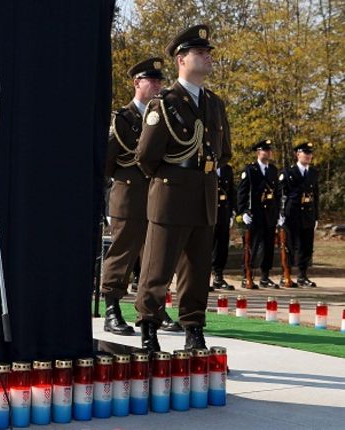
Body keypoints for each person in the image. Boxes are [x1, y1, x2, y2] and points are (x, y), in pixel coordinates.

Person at [134, 24, 232, 353]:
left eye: (208, 53)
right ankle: (149, 326)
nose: (207, 57)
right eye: (199, 53)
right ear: (181, 59)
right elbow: (146, 156)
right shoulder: (164, 102)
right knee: (157, 267)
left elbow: (224, 152)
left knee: (197, 269)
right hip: (171, 193)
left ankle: (194, 328)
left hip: (203, 194)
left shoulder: (215, 104)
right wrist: (174, 176)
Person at [102, 57, 180, 335]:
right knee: (123, 252)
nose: (158, 85)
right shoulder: (122, 119)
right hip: (130, 195)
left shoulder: (164, 118)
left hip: (157, 195)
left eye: (160, 81)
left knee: (155, 256)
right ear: (137, 83)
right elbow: (106, 164)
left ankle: (151, 309)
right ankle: (112, 308)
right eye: (152, 80)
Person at [237, 139, 282, 289]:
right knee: (252, 246)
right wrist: (243, 211)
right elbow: (242, 193)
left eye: (269, 150)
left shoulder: (273, 170)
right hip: (254, 214)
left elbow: (277, 194)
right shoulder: (250, 170)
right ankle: (246, 275)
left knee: (268, 246)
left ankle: (265, 276)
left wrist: (279, 212)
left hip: (269, 214)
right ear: (258, 152)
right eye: (265, 150)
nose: (268, 152)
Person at [280, 142, 319, 287]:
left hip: (308, 214)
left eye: (310, 153)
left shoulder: (313, 172)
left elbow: (316, 195)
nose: (308, 156)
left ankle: (303, 275)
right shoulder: (288, 172)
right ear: (298, 154)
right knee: (290, 245)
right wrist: (281, 213)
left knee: (306, 246)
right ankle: (286, 274)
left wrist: (316, 216)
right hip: (292, 213)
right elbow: (282, 194)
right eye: (305, 153)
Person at [211, 162, 237, 290]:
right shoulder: (206, 165)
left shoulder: (227, 169)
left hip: (224, 213)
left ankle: (218, 276)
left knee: (222, 246)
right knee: (207, 246)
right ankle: (202, 278)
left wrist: (232, 211)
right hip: (209, 213)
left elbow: (231, 190)